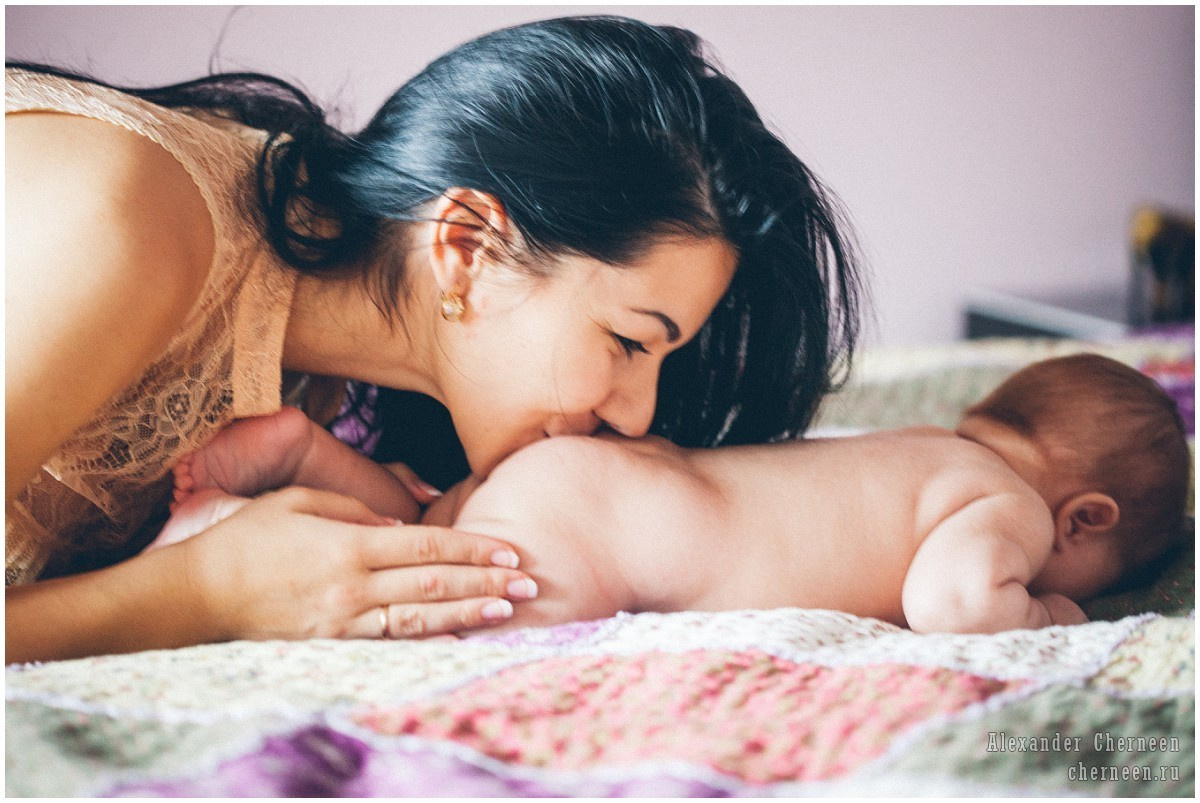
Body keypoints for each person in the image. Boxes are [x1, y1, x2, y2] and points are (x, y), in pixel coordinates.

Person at [5, 15, 863, 662]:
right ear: (466, 247)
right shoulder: (125, 226)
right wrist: (208, 590)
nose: (637, 415)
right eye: (630, 342)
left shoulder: (326, 389)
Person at [157, 354, 1191, 634]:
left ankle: (306, 455)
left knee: (431, 523)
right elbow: (958, 604)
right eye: (1103, 575)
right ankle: (234, 529)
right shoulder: (1006, 504)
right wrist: (1048, 607)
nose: (1085, 588)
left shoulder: (928, 444)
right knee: (424, 594)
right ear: (1082, 517)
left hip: (600, 487)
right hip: (608, 534)